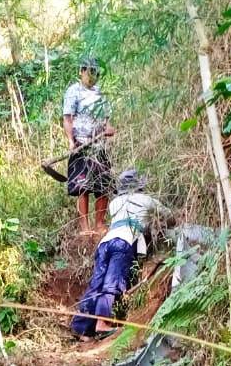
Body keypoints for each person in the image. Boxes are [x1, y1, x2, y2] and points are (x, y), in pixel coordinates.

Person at [71, 168, 171, 339]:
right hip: (124, 242)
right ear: (139, 185)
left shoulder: (114, 202)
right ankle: (102, 324)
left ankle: (81, 327)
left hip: (105, 243)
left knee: (97, 283)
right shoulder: (147, 200)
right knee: (112, 283)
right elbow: (170, 217)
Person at [61, 56, 114, 235]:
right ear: (82, 71)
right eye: (90, 72)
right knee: (82, 186)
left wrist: (108, 128)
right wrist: (71, 140)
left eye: (96, 73)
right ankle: (85, 228)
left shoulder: (101, 93)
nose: (93, 76)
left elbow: (107, 119)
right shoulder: (73, 91)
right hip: (81, 144)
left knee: (103, 184)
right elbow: (67, 118)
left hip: (99, 145)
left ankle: (99, 223)